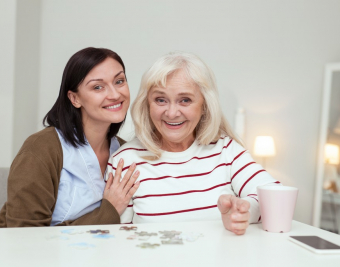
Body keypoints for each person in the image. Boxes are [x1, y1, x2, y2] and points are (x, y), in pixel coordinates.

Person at [107, 51, 280, 235]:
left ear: (204, 105)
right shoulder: (124, 162)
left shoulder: (226, 150)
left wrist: (244, 211)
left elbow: (276, 196)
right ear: (147, 104)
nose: (172, 113)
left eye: (185, 100)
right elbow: (117, 240)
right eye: (160, 100)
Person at [0, 47, 139, 227]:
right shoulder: (42, 149)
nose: (115, 94)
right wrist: (109, 210)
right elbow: (24, 236)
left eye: (119, 81)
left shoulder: (125, 152)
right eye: (98, 87)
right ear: (74, 98)